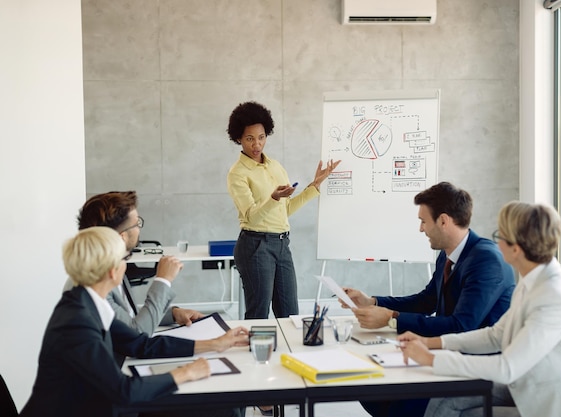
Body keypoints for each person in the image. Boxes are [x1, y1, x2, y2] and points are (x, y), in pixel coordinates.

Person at [399, 201, 561, 417]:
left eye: (500, 236)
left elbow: (507, 368)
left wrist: (431, 359)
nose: (496, 243)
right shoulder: (533, 280)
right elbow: (496, 335)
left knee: (469, 414)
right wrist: (430, 343)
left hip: (558, 402)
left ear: (516, 248)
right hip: (531, 381)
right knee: (447, 396)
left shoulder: (553, 296)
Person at [21, 227, 249, 417]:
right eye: (124, 259)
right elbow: (122, 391)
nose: (126, 265)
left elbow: (141, 344)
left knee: (229, 405)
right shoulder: (76, 322)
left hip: (99, 404)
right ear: (113, 271)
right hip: (88, 410)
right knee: (223, 409)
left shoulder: (87, 303)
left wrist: (216, 344)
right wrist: (185, 373)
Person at [341, 181, 516, 417]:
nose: (421, 229)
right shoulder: (447, 256)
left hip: (474, 363)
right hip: (447, 353)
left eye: (423, 221)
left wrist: (391, 318)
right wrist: (372, 302)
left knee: (391, 398)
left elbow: (462, 326)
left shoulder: (486, 260)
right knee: (370, 390)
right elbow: (426, 301)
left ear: (443, 221)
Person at [226, 101, 340, 320]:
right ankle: (257, 354)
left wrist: (314, 185)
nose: (257, 144)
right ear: (238, 138)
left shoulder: (275, 166)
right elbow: (252, 216)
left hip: (281, 244)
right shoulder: (237, 174)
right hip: (255, 245)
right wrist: (273, 198)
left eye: (261, 137)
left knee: (289, 315)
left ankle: (285, 355)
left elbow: (284, 210)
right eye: (249, 138)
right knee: (258, 314)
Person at [63, 191, 204, 336]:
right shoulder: (96, 282)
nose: (139, 229)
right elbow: (136, 334)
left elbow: (130, 318)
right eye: (137, 223)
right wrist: (163, 280)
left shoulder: (111, 265)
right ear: (122, 237)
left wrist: (173, 314)